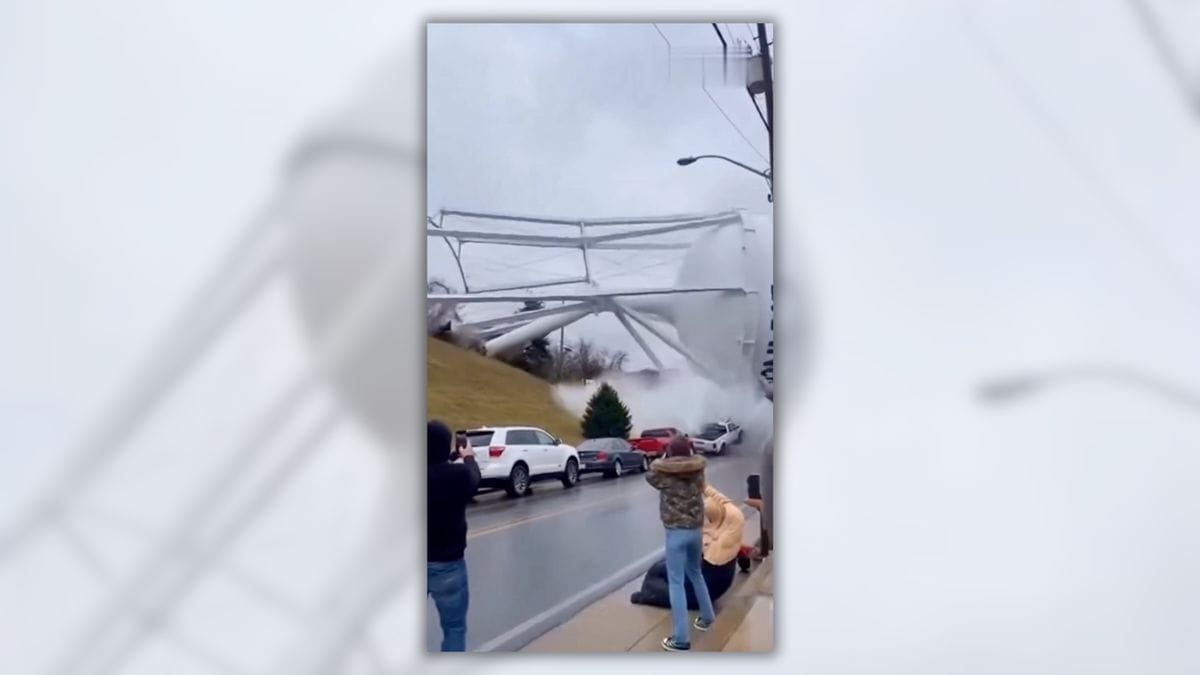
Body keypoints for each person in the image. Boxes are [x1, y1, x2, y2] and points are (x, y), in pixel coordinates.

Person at [644, 434, 716, 651]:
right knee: (695, 573)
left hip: (675, 533)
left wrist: (664, 457)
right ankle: (707, 616)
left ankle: (681, 639)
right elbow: (702, 485)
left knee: (676, 583)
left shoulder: (663, 474)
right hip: (695, 530)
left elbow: (650, 474)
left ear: (670, 453)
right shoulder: (698, 470)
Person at [630, 484, 747, 610]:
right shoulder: (731, 527)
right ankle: (651, 591)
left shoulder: (718, 539)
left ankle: (647, 596)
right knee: (659, 569)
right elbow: (720, 499)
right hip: (718, 581)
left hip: (704, 589)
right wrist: (700, 484)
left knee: (656, 575)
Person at [427, 420, 481, 652]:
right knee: (454, 628)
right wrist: (467, 456)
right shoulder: (457, 475)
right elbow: (474, 478)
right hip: (448, 564)